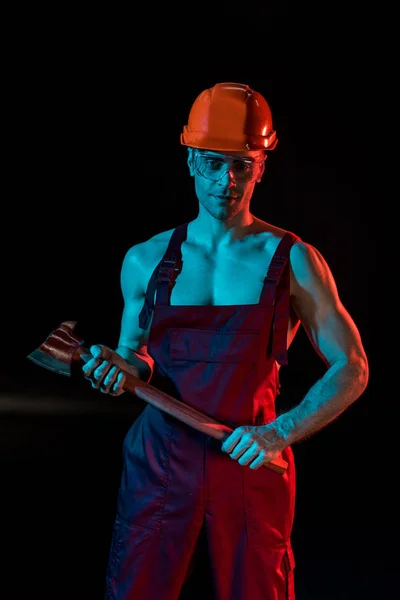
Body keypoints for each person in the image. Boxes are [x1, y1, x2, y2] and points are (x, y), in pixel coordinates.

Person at [82, 82, 369, 600]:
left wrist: (279, 433)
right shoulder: (145, 260)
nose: (227, 181)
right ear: (191, 159)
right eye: (213, 162)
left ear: (262, 164)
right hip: (160, 463)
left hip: (253, 461)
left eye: (243, 164)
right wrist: (117, 368)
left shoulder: (294, 260)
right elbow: (135, 356)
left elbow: (352, 367)